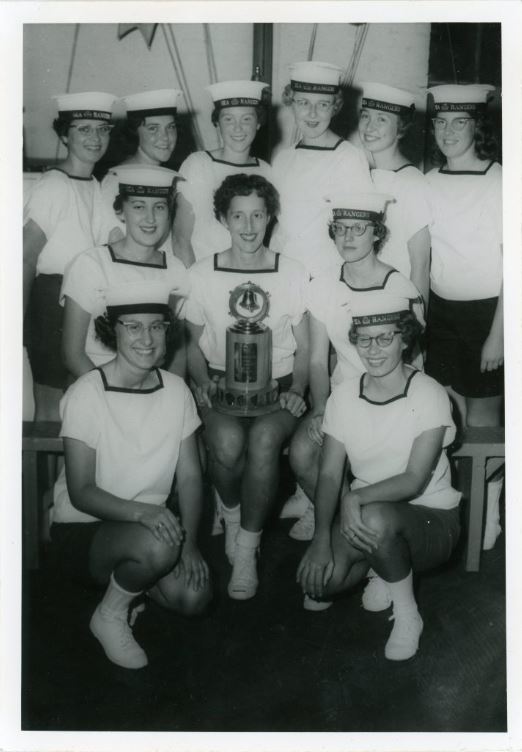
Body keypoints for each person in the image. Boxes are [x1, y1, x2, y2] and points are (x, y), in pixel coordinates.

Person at [50, 282, 211, 670]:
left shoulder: (175, 391)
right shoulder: (87, 393)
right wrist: (144, 515)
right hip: (84, 531)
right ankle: (109, 614)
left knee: (195, 596)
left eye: (156, 327)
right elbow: (81, 492)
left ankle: (131, 585)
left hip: (150, 530)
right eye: (133, 327)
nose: (147, 338)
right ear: (113, 330)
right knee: (157, 546)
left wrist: (188, 544)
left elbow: (191, 477)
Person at [296, 292, 461, 661]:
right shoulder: (343, 397)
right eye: (365, 339)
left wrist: (353, 498)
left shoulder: (429, 393)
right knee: (320, 585)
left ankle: (407, 614)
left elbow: (414, 479)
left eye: (385, 338)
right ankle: (384, 568)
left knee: (375, 517)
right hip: (370, 516)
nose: (373, 350)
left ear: (405, 340)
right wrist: (322, 538)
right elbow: (327, 474)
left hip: (431, 518)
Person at [185, 173, 309, 600]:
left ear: (271, 217)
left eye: (258, 214)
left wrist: (301, 387)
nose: (249, 226)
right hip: (222, 381)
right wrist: (202, 382)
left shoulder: (292, 272)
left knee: (262, 441)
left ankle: (247, 549)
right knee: (225, 442)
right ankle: (234, 517)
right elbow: (190, 343)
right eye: (239, 215)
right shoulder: (202, 273)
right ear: (223, 218)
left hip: (278, 386)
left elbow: (307, 346)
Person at [287, 193, 424, 540]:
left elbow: (415, 364)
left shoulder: (401, 288)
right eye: (340, 229)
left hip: (392, 398)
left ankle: (362, 530)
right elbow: (318, 360)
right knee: (303, 452)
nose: (347, 238)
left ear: (377, 233)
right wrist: (321, 408)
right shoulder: (323, 285)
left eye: (358, 229)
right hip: (342, 396)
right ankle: (335, 515)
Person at [425, 84, 503, 549]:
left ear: (478, 127)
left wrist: (499, 335)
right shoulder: (429, 181)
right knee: (447, 413)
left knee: (483, 421)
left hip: (487, 314)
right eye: (441, 121)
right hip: (442, 312)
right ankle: (454, 502)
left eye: (460, 122)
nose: (449, 131)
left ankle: (489, 511)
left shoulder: (501, 181)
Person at [23, 91, 116, 420]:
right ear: (64, 135)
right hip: (50, 302)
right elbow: (24, 256)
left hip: (83, 303)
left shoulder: (92, 183)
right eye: (84, 129)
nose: (95, 138)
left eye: (102, 130)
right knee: (50, 404)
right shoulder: (54, 185)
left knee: (78, 407)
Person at [61, 164, 189, 379]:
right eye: (139, 207)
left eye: (159, 207)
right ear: (120, 212)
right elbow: (72, 355)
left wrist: (168, 393)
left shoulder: (176, 269)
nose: (150, 218)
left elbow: (178, 353)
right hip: (97, 383)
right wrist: (110, 394)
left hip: (154, 387)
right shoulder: (91, 264)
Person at [271, 61, 372, 279]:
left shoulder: (349, 158)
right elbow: (280, 227)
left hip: (328, 273)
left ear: (334, 107)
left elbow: (358, 230)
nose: (313, 113)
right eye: (303, 103)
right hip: (284, 270)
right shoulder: (283, 158)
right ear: (291, 102)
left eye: (323, 104)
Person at [172, 80, 273, 267]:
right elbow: (180, 239)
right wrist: (194, 288)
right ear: (217, 123)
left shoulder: (266, 170)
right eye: (228, 119)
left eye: (246, 119)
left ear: (258, 123)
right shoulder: (198, 164)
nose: (237, 128)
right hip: (204, 276)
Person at [358, 82, 432, 305]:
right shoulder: (361, 175)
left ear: (400, 128)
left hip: (395, 301)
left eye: (382, 119)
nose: (369, 127)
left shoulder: (412, 183)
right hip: (360, 295)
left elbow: (420, 264)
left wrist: (418, 320)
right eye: (365, 116)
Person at [100, 89, 182, 247]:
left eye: (170, 127)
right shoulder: (117, 179)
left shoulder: (170, 178)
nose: (165, 137)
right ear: (135, 132)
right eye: (153, 128)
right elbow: (114, 243)